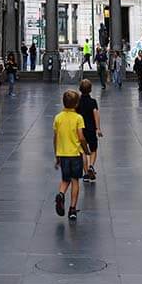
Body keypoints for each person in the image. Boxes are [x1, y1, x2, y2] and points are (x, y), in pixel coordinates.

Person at [52, 89, 90, 221]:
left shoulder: (58, 117)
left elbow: (55, 138)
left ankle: (61, 194)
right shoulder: (78, 118)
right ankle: (72, 209)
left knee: (65, 179)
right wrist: (86, 149)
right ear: (76, 104)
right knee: (75, 181)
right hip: (75, 154)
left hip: (62, 154)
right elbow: (81, 137)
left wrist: (57, 155)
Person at [76, 79, 101, 181]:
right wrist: (98, 128)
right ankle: (91, 165)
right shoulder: (93, 102)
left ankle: (86, 173)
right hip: (91, 129)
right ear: (90, 90)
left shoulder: (77, 102)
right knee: (93, 149)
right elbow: (96, 114)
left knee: (82, 151)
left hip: (80, 130)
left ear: (80, 89)